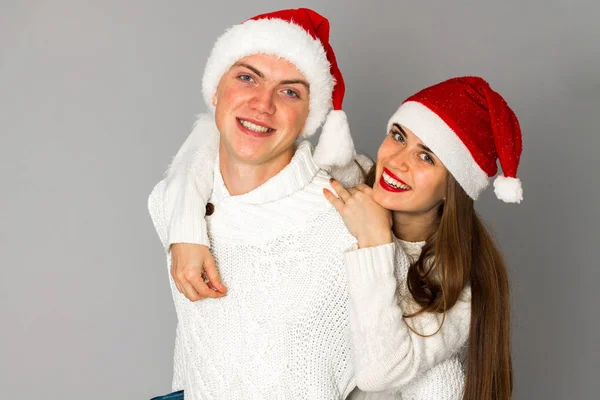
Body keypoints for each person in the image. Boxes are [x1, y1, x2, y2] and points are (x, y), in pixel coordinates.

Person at [148, 8, 364, 400]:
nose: (262, 104)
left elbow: (411, 362)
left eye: (289, 91)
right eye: (247, 77)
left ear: (309, 119)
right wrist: (185, 228)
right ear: (215, 90)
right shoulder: (173, 204)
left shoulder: (350, 222)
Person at [324, 76, 521, 400]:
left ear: (452, 189)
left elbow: (378, 373)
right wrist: (204, 239)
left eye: (427, 156)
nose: (397, 161)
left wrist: (374, 241)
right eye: (399, 136)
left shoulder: (459, 287)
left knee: (440, 379)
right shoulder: (345, 182)